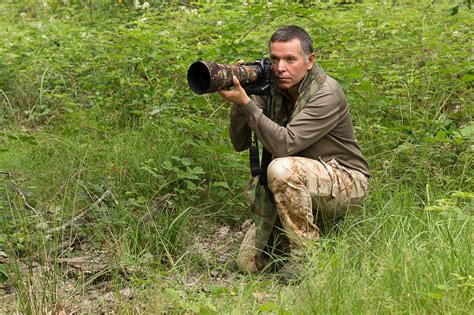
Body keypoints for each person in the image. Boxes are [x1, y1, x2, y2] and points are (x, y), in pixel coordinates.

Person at [218, 25, 370, 276]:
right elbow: (240, 143)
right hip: (294, 183)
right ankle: (294, 242)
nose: (280, 68)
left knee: (280, 167)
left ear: (309, 60)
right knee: (247, 264)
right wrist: (240, 101)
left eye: (290, 59)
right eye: (274, 59)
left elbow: (284, 144)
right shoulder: (271, 87)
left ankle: (307, 259)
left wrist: (247, 103)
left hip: (346, 181)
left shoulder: (326, 92)